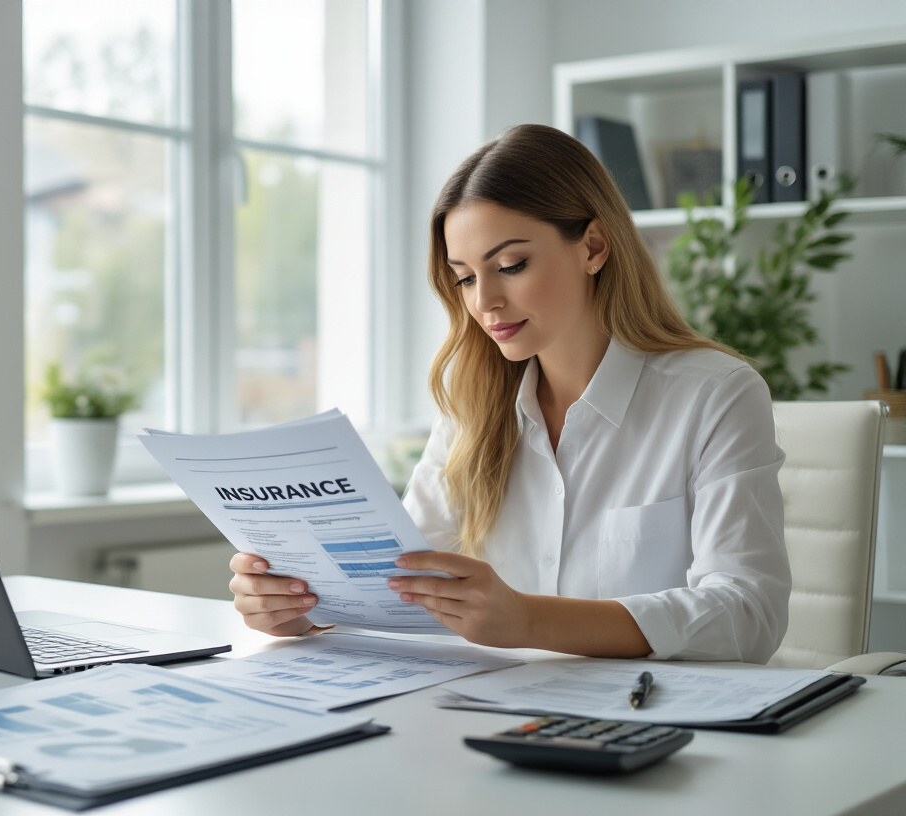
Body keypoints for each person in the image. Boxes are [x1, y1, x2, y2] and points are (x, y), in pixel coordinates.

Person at [229, 124, 790, 663]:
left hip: (656, 722)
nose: (485, 302)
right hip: (494, 713)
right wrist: (305, 608)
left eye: (510, 265)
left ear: (593, 246)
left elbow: (748, 613)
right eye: (466, 277)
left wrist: (530, 621)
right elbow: (400, 577)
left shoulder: (716, 395)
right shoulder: (472, 405)